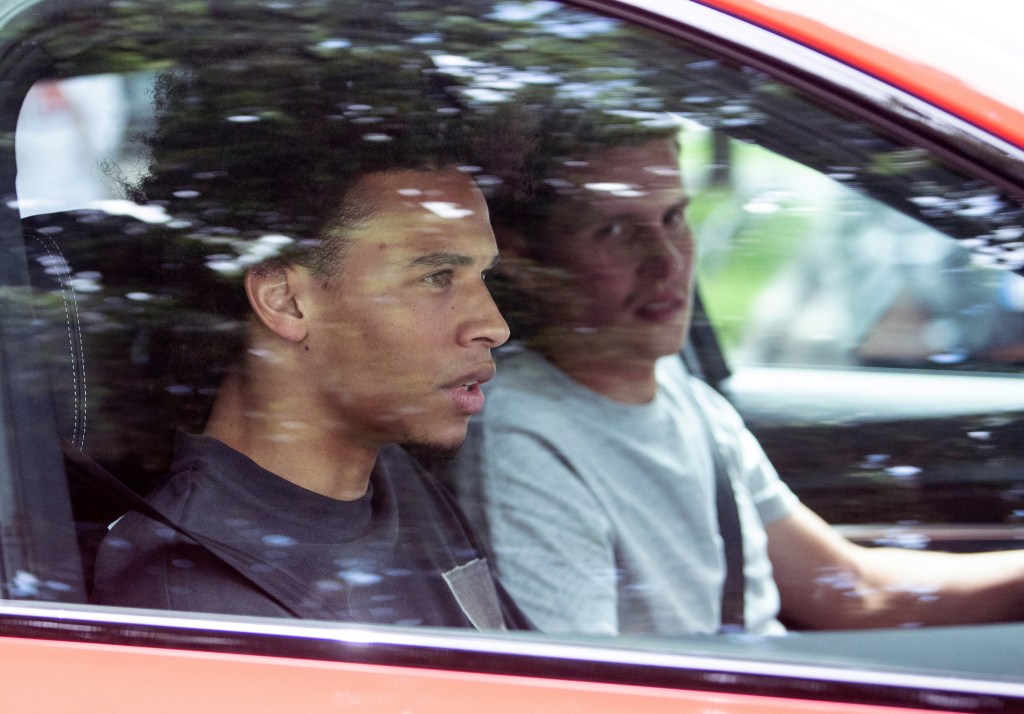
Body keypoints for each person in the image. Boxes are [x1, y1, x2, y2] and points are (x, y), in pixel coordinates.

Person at [450, 109, 1024, 636]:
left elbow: (850, 589)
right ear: (525, 259)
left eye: (674, 217)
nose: (668, 261)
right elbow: (582, 692)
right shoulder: (521, 442)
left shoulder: (680, 392)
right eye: (616, 231)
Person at [92, 43, 527, 630]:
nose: (494, 325)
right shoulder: (199, 597)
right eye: (436, 276)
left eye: (482, 277)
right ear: (286, 300)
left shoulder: (401, 488)